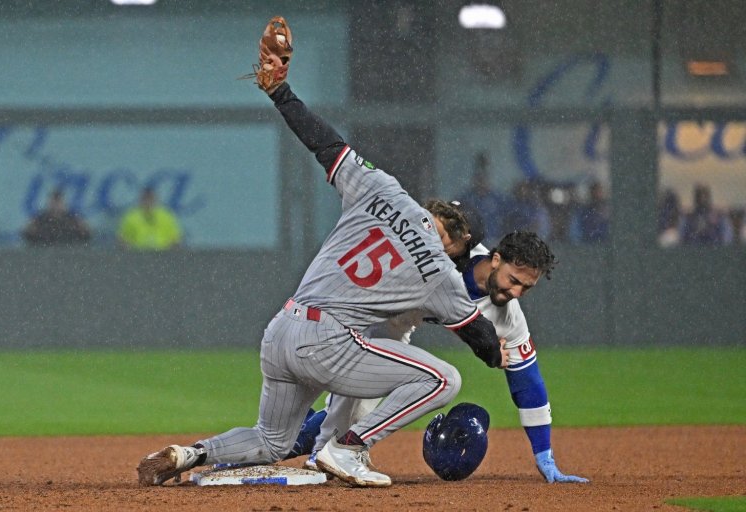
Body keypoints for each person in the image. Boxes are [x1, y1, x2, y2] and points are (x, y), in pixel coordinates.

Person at [137, 41, 509, 488]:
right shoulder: (440, 270)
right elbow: (480, 337)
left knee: (272, 441)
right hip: (326, 344)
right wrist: (502, 355)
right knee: (443, 378)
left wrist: (281, 93)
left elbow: (323, 143)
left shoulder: (382, 189)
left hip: (282, 329)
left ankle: (189, 454)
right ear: (461, 240)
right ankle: (348, 448)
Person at [302, 229, 589, 484]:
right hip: (371, 309)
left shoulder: (508, 319)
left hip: (397, 325)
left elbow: (528, 385)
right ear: (497, 259)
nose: (516, 291)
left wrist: (544, 454)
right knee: (433, 382)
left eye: (526, 287)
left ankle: (301, 439)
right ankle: (310, 440)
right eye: (514, 280)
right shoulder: (450, 251)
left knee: (353, 419)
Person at [457, 152, 508, 244]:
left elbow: (508, 218)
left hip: (493, 240)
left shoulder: (498, 198)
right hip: (472, 240)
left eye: (484, 179)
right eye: (479, 178)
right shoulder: (466, 197)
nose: (481, 181)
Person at [117, 187, 183, 250]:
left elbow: (176, 240)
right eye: (145, 199)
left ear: (156, 199)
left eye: (150, 199)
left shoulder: (167, 217)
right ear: (140, 200)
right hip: (137, 256)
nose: (148, 202)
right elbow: (122, 240)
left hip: (163, 256)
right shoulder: (131, 217)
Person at [22, 188, 91, 247]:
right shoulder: (39, 220)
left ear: (64, 203)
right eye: (53, 202)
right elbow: (27, 235)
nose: (56, 206)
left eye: (58, 202)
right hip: (43, 256)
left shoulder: (73, 220)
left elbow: (86, 235)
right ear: (48, 203)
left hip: (69, 255)